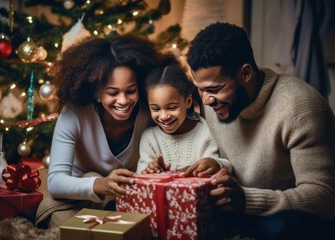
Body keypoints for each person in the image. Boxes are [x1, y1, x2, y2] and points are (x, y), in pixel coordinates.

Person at [185, 22, 335, 239]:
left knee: (276, 228)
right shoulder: (216, 104)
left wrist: (247, 199)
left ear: (245, 73)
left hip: (291, 225)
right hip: (241, 215)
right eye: (200, 89)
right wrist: (215, 165)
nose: (206, 100)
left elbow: (325, 198)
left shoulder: (300, 107)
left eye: (214, 89)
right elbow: (235, 162)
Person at [35, 34, 161, 228]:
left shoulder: (149, 111)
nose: (123, 101)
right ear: (96, 92)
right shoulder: (74, 113)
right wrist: (100, 184)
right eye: (112, 92)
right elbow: (55, 181)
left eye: (131, 90)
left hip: (127, 200)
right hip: (78, 200)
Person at [136, 54, 232, 176]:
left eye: (172, 107)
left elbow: (221, 167)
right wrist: (151, 170)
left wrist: (214, 163)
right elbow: (140, 177)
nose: (164, 116)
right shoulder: (150, 138)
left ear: (188, 102)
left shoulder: (205, 131)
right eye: (155, 109)